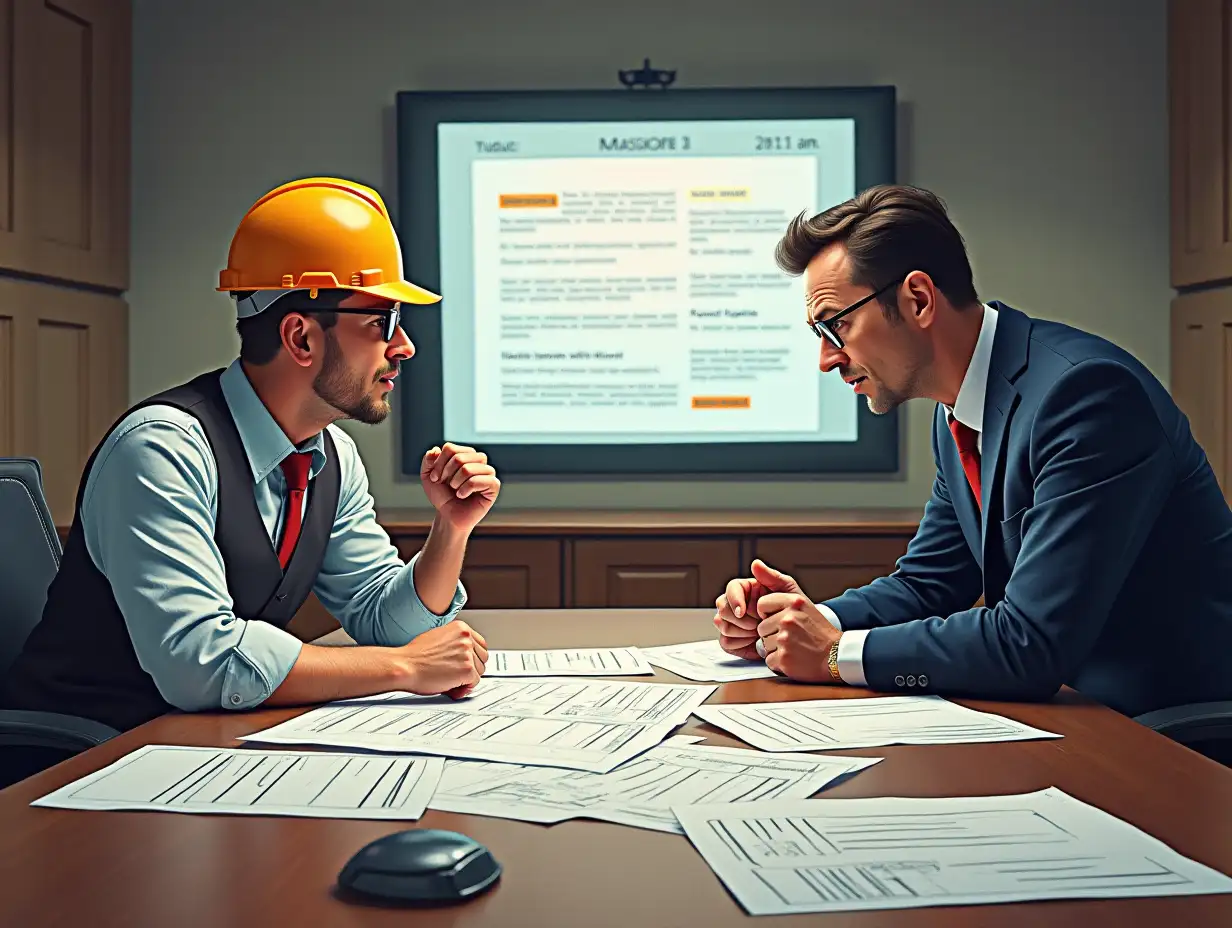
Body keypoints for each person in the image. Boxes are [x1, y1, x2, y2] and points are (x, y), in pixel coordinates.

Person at [714, 183, 1232, 721]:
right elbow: (929, 582)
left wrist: (831, 654)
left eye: (836, 324)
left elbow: (1029, 644)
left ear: (918, 299)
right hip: (1069, 709)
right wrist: (800, 622)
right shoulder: (961, 408)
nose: (826, 358)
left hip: (1160, 728)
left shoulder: (1088, 398)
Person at [5, 176, 498, 735]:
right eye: (381, 323)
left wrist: (451, 530)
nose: (404, 346)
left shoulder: (331, 455)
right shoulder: (161, 450)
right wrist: (406, 669)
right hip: (82, 762)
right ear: (301, 338)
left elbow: (386, 621)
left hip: (203, 745)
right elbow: (201, 662)